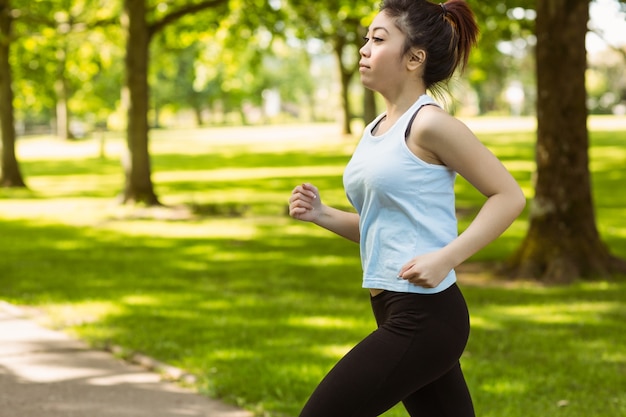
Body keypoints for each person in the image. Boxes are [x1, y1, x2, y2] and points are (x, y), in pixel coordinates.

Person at [288, 0, 526, 416]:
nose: (363, 48)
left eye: (378, 39)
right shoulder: (378, 129)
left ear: (415, 58)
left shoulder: (430, 124)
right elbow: (385, 227)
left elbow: (508, 196)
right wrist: (322, 214)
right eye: (366, 38)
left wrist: (445, 258)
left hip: (425, 315)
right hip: (393, 307)